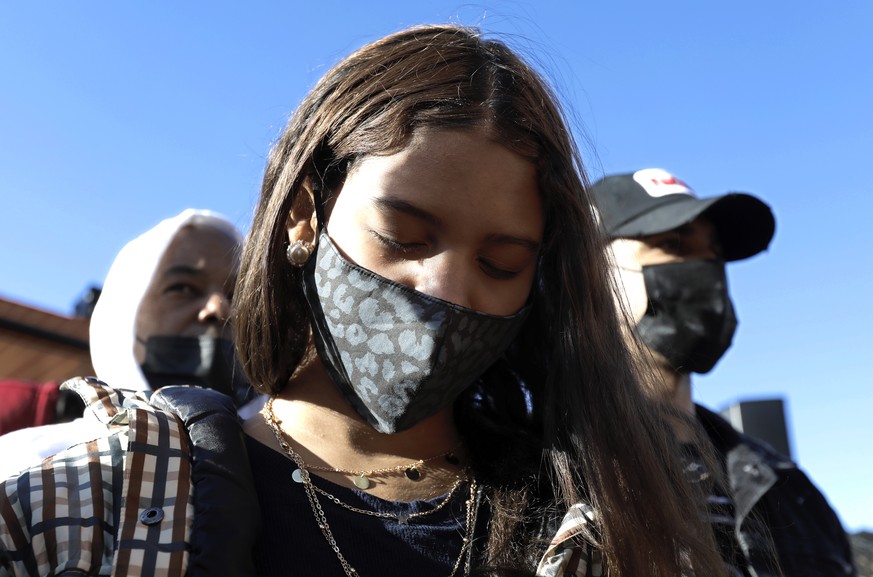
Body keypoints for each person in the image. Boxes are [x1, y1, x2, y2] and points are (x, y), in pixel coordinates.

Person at [1, 27, 730, 577]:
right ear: (303, 216)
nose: (446, 287)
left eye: (498, 261)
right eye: (403, 236)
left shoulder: (612, 523)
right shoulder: (83, 504)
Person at [592, 167, 856, 577]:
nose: (705, 271)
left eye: (713, 253)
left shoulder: (792, 492)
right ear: (588, 280)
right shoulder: (531, 480)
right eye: (672, 245)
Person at [0, 208, 258, 480]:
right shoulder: (30, 466)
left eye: (236, 294)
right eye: (183, 288)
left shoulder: (289, 470)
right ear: (125, 311)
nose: (220, 308)